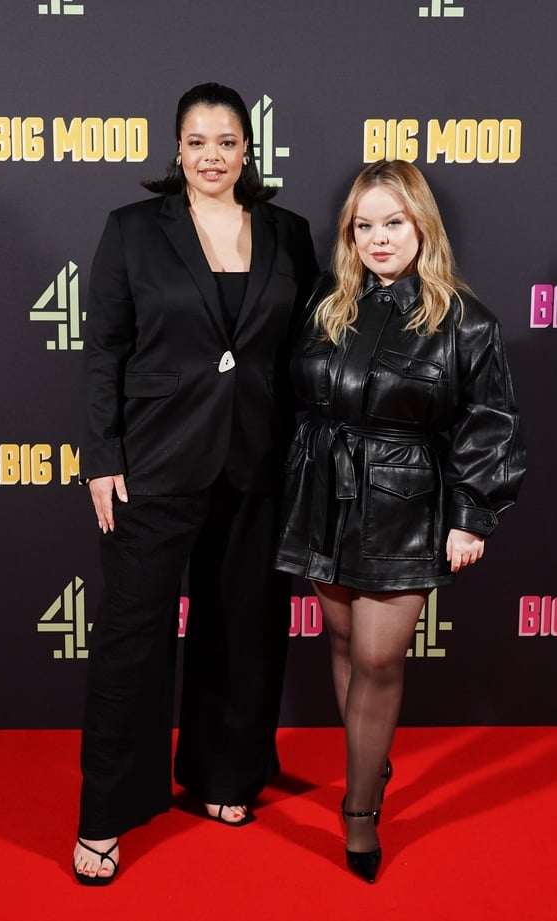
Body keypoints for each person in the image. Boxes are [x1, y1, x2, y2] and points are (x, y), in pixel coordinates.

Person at [73, 82, 318, 884]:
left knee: (242, 626)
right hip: (153, 463)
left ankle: (225, 773)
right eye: (197, 140)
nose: (213, 155)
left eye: (227, 141)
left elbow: (303, 351)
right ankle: (108, 811)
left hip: (255, 458)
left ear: (249, 150)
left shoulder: (289, 232)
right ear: (175, 149)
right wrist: (103, 457)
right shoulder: (133, 231)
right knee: (131, 641)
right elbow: (103, 349)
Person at [274, 159, 525, 883]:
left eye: (394, 222)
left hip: (405, 500)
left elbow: (493, 422)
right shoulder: (327, 299)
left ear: (422, 226)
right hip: (322, 489)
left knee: (380, 658)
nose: (379, 238)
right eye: (364, 225)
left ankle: (358, 810)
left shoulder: (465, 320)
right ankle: (369, 754)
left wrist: (473, 514)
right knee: (347, 641)